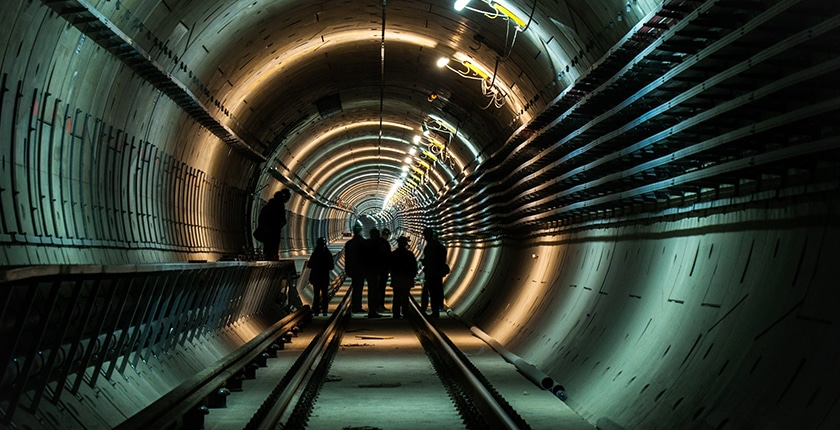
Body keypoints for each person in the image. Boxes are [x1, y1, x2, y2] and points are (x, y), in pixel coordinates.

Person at [253, 189, 291, 260]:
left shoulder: (267, 207)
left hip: (266, 232)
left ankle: (267, 259)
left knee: (267, 249)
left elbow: (261, 219)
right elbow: (282, 220)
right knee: (274, 250)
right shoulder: (279, 208)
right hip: (274, 233)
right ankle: (273, 260)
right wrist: (278, 225)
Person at [421, 227, 448, 318]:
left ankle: (433, 310)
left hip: (431, 273)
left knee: (431, 292)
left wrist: (424, 262)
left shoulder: (430, 247)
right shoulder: (440, 247)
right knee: (436, 291)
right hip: (438, 273)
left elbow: (429, 260)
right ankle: (435, 309)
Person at [363, 228, 389, 318]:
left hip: (370, 271)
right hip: (378, 271)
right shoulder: (381, 244)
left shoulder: (367, 244)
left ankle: (373, 309)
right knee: (377, 290)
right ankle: (375, 308)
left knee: (372, 290)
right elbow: (385, 257)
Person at [389, 236, 417, 319]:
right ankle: (405, 312)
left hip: (396, 278)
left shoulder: (393, 254)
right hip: (406, 279)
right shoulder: (409, 254)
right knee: (405, 296)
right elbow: (413, 267)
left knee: (396, 296)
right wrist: (412, 276)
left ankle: (396, 313)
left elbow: (390, 266)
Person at [307, 237, 334, 316]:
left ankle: (316, 310)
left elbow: (309, 265)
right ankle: (325, 310)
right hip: (324, 277)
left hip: (316, 277)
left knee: (316, 294)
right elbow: (331, 266)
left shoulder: (315, 254)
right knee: (325, 294)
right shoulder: (327, 254)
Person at [344, 224, 366, 313]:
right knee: (359, 288)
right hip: (361, 269)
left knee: (355, 287)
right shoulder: (364, 243)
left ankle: (354, 305)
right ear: (360, 231)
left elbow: (347, 258)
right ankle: (357, 306)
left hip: (353, 269)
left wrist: (347, 269)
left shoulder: (349, 244)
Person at [375, 228, 393, 312]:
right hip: (383, 270)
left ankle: (376, 306)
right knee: (381, 288)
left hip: (376, 269)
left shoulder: (376, 243)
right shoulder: (385, 244)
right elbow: (388, 257)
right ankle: (380, 305)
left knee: (376, 288)